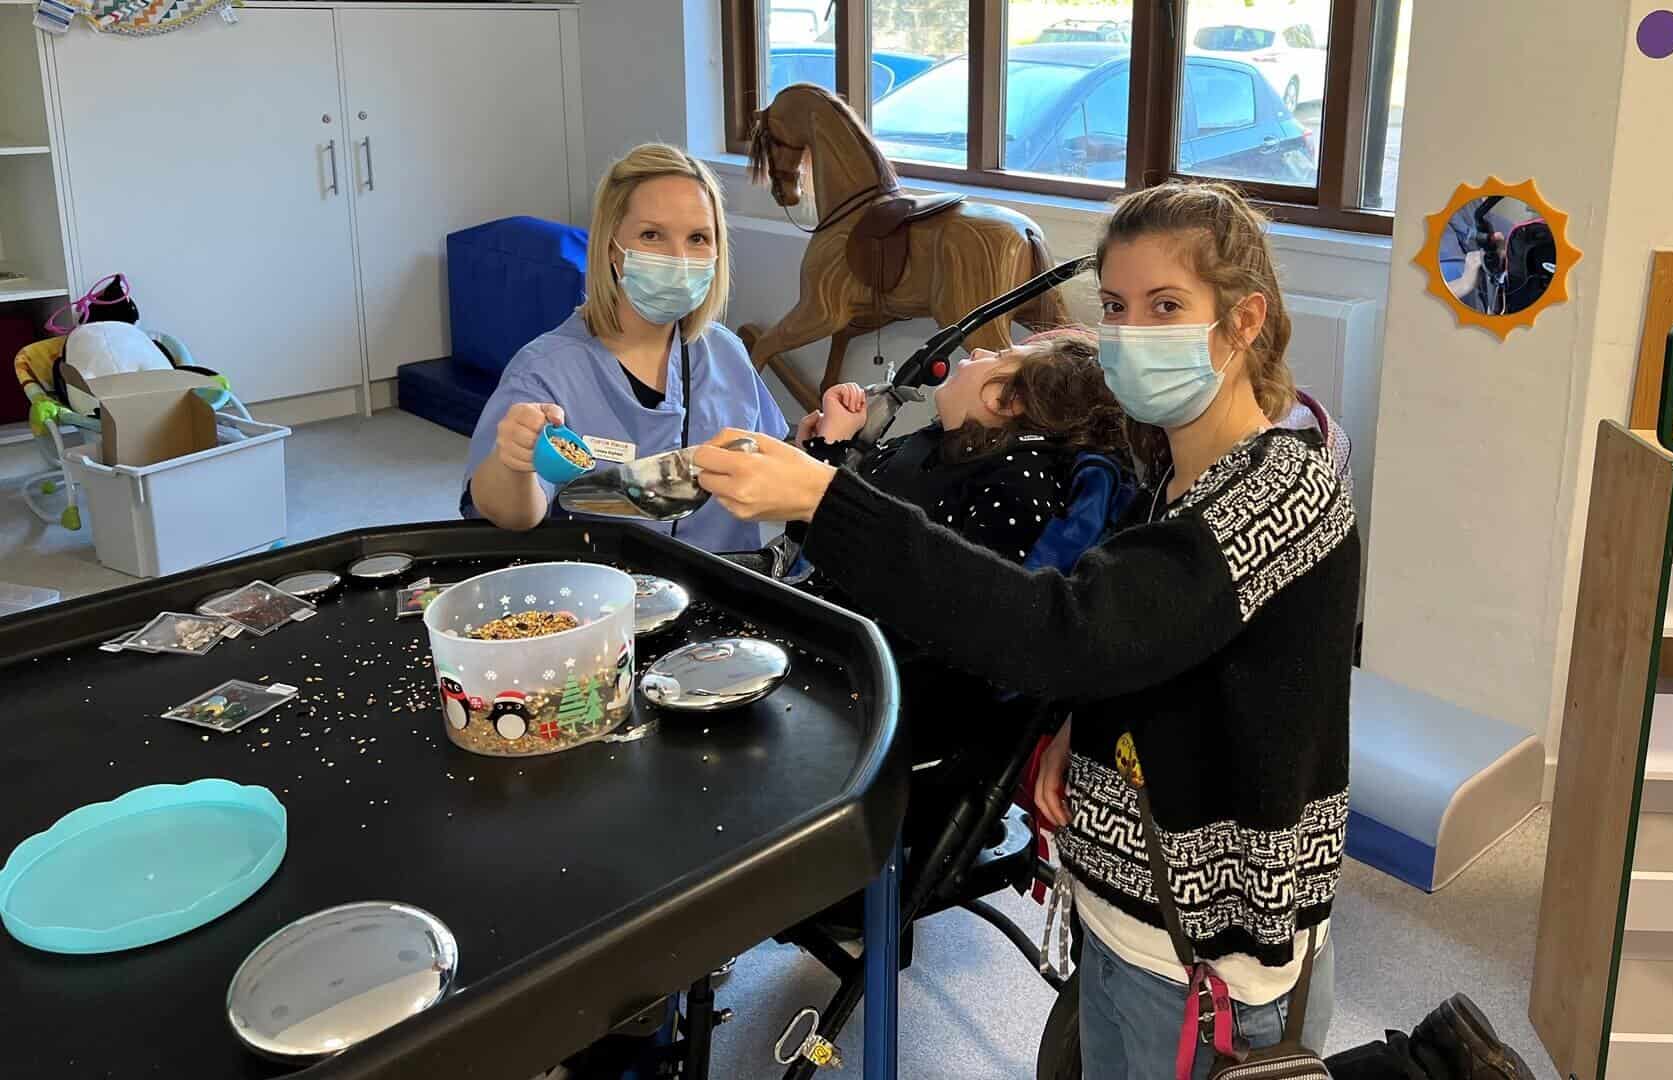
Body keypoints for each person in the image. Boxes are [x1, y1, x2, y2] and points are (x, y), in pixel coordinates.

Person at [692, 182, 1535, 1080]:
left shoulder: (1284, 492)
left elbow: (1071, 629)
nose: (1131, 334)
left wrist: (828, 503)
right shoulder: (1167, 471)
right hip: (1122, 917)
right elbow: (1147, 642)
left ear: (1243, 321)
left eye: (1166, 307)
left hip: (1211, 957)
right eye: (1118, 308)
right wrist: (1074, 721)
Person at [785, 328, 1130, 832]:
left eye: (1000, 356)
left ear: (1005, 399)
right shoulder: (932, 447)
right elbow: (822, 534)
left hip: (889, 703)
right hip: (837, 654)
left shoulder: (1019, 482)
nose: (979, 352)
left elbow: (964, 615)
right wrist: (833, 446)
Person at [463, 143, 787, 551]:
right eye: (652, 235)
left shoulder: (725, 352)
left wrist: (822, 441)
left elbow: (773, 466)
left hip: (722, 588)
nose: (679, 259)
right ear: (611, 248)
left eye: (698, 238)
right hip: (607, 596)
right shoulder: (546, 370)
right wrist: (514, 462)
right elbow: (512, 514)